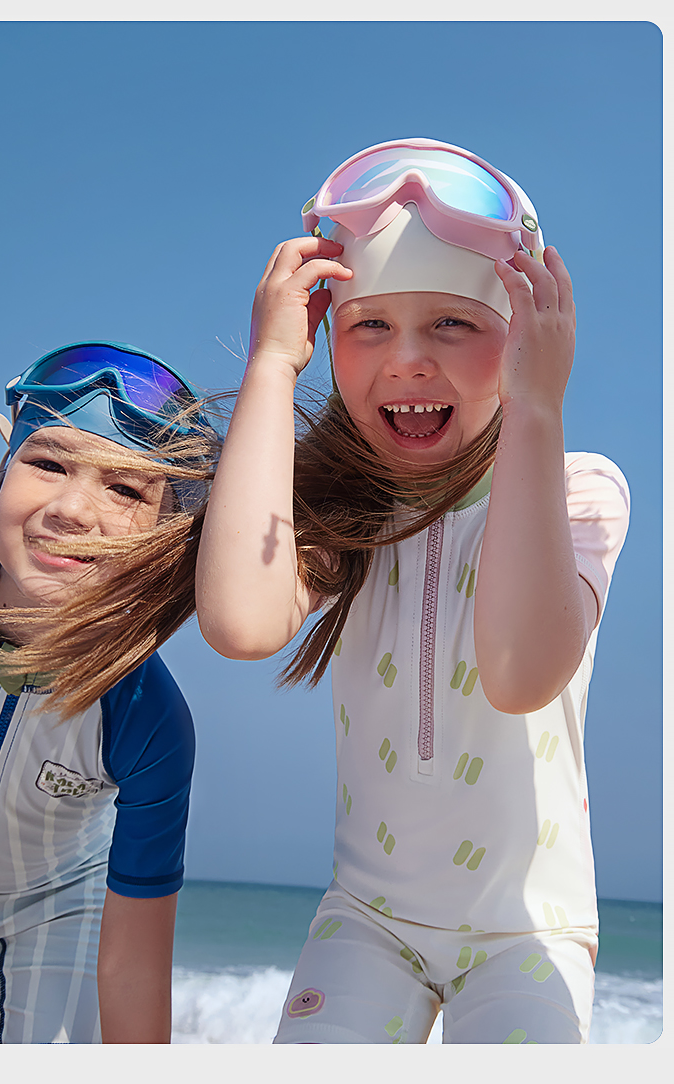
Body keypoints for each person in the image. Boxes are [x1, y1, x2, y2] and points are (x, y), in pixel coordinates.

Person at [195, 139, 630, 1044]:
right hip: (368, 918)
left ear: (520, 333)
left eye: (453, 324)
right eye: (370, 327)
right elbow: (240, 622)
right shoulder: (348, 512)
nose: (408, 360)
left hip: (528, 928)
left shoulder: (582, 491)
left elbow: (518, 672)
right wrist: (271, 364)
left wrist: (537, 407)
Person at [0, 340, 218, 1044]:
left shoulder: (147, 719)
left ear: (164, 536)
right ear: (5, 466)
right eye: (47, 464)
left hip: (59, 904)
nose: (72, 509)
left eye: (126, 490)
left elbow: (134, 973)